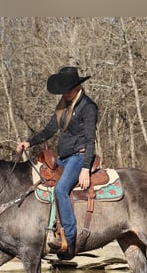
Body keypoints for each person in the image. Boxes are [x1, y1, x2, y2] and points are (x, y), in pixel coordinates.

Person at [17, 66, 98, 260]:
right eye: (63, 90)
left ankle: (69, 239)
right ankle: (48, 229)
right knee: (42, 183)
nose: (65, 93)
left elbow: (89, 140)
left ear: (77, 87)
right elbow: (49, 130)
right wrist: (29, 142)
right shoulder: (63, 106)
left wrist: (85, 168)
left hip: (79, 157)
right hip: (63, 157)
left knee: (61, 189)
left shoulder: (88, 107)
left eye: (67, 89)